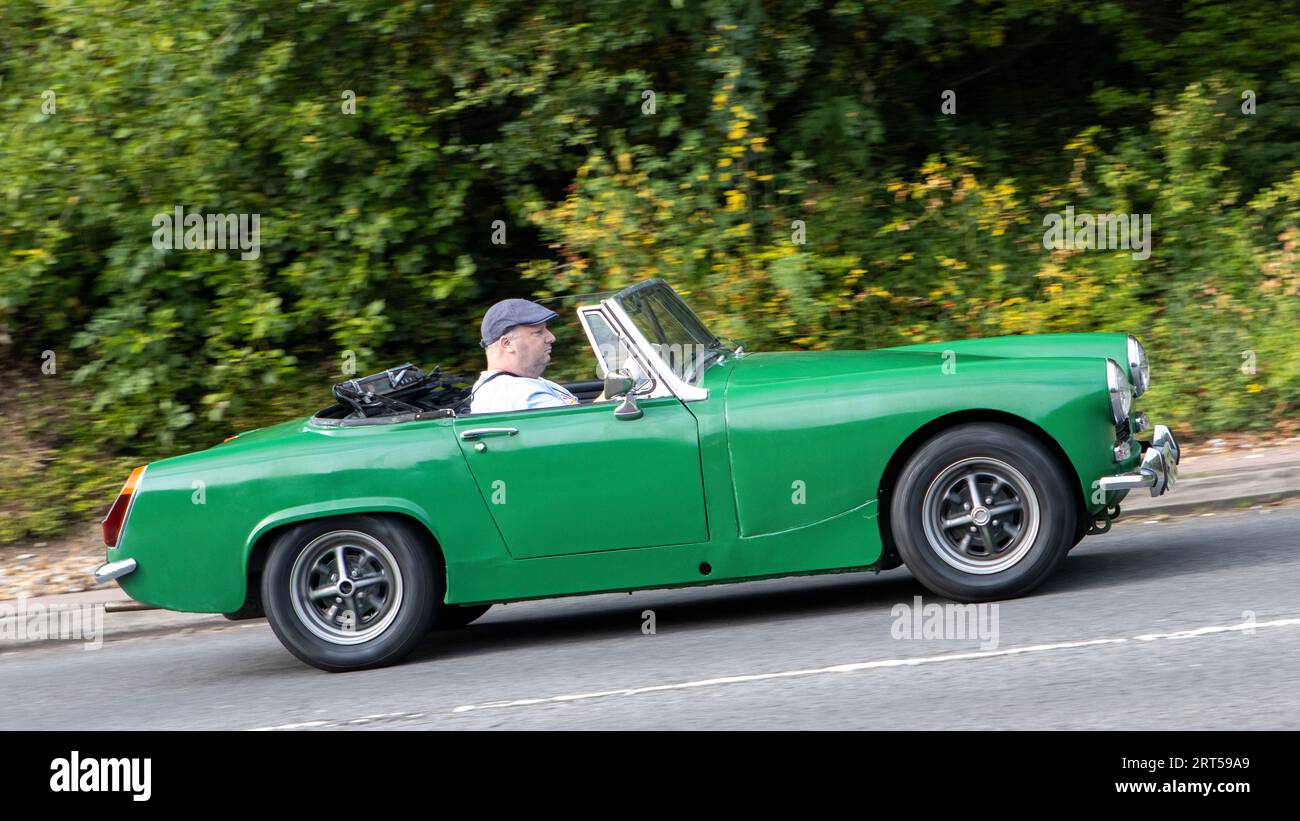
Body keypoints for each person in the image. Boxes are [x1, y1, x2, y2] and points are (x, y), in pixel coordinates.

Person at [469, 298, 583, 414]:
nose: (551, 337)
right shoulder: (514, 392)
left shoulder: (522, 382)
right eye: (538, 332)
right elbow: (584, 424)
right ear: (507, 344)